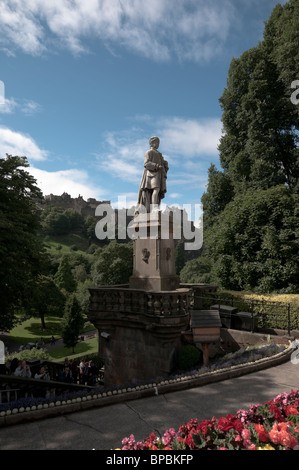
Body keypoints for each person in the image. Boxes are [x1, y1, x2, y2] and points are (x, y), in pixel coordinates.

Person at [137, 136, 168, 213]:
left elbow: (163, 164)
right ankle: (154, 208)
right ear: (152, 143)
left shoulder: (160, 154)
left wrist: (165, 164)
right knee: (155, 189)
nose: (158, 144)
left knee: (157, 191)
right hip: (151, 174)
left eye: (158, 143)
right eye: (156, 142)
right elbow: (146, 163)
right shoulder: (149, 152)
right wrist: (157, 166)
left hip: (158, 175)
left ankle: (155, 207)